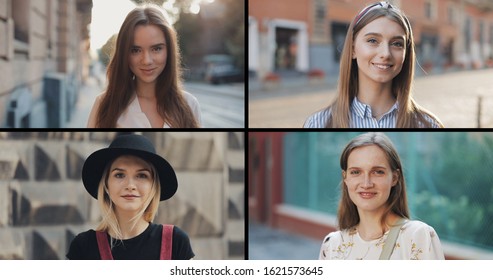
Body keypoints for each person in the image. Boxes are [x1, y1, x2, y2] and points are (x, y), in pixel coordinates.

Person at [304, 2, 443, 128]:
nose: (385, 54)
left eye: (397, 44)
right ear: (353, 49)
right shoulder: (318, 124)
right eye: (372, 40)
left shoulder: (429, 125)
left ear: (406, 53)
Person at [67, 134, 195, 260]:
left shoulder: (175, 242)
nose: (130, 185)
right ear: (106, 184)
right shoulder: (83, 247)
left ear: (153, 186)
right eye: (119, 175)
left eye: (142, 176)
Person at [319, 132, 444, 260]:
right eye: (356, 172)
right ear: (345, 178)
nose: (366, 184)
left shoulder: (417, 237)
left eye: (378, 172)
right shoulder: (332, 245)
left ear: (395, 178)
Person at [87, 5, 201, 128]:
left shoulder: (189, 104)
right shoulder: (104, 105)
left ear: (169, 51)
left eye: (156, 49)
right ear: (124, 53)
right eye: (135, 50)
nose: (146, 61)